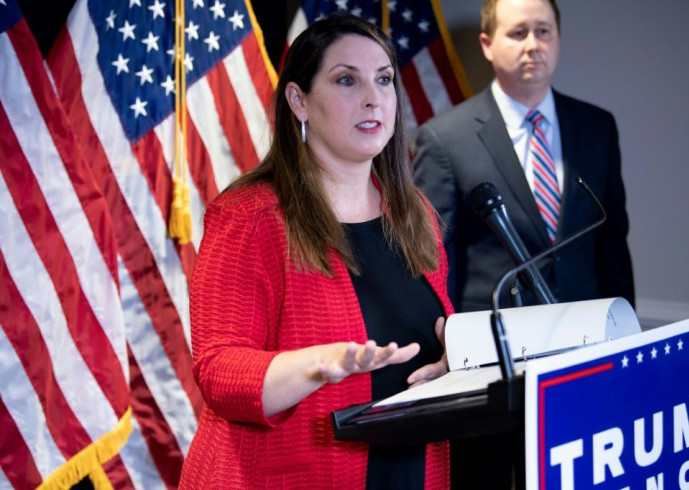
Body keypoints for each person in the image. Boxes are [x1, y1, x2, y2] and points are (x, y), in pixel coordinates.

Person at [179, 13, 452, 489]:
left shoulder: (415, 214)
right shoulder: (249, 217)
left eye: (383, 80)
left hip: (410, 471)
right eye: (347, 79)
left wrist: (459, 358)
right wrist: (316, 365)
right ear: (299, 100)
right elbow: (218, 372)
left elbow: (437, 336)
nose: (373, 98)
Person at [412, 0, 635, 487]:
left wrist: (627, 345)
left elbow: (613, 246)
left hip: (584, 355)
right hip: (494, 366)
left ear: (557, 38)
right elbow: (433, 261)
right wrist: (448, 349)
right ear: (488, 45)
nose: (533, 45)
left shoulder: (597, 126)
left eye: (543, 31)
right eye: (518, 33)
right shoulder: (445, 139)